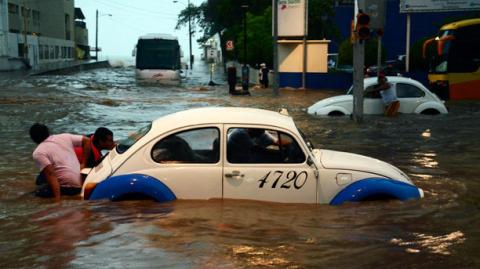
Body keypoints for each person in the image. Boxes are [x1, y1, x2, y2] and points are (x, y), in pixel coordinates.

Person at [30, 123, 91, 201]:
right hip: (81, 181)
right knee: (41, 177)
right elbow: (87, 140)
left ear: (33, 138)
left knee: (32, 196)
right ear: (47, 131)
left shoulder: (38, 152)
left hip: (70, 188)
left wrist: (57, 200)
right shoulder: (64, 137)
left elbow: (51, 175)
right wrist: (83, 163)